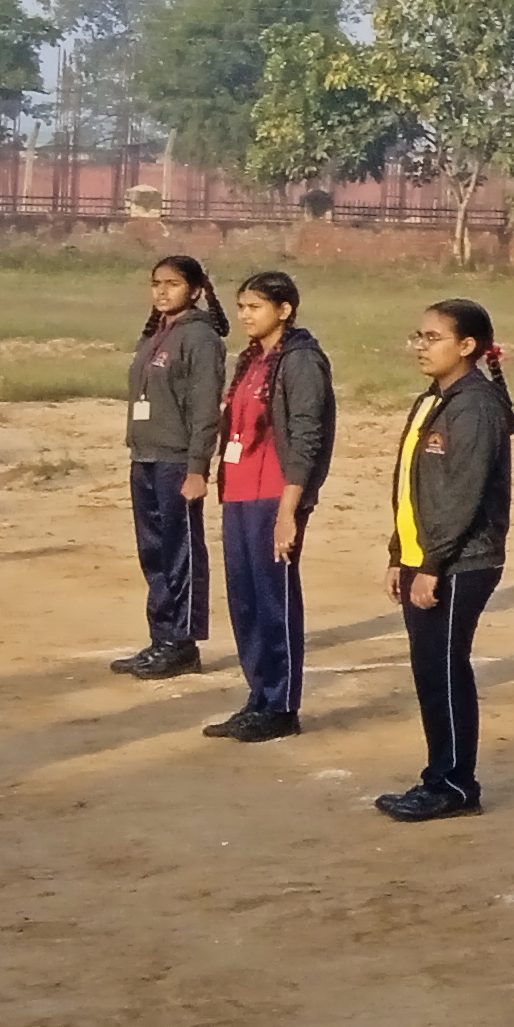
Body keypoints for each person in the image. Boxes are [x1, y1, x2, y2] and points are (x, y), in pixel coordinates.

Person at [376, 299, 513, 822]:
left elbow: (463, 494)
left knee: (445, 671)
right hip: (426, 556)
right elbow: (412, 487)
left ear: (467, 346)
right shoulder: (434, 399)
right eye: (420, 336)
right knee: (430, 670)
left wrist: (433, 564)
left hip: (459, 561)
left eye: (433, 338)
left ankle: (454, 784)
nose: (421, 346)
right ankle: (440, 776)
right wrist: (400, 553)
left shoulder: (474, 406)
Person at [200, 271, 333, 744]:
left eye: (255, 307)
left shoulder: (302, 361)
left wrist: (289, 511)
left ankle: (281, 705)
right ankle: (257, 697)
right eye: (241, 307)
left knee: (274, 601)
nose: (245, 316)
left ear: (285, 309)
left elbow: (307, 436)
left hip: (275, 496)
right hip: (239, 494)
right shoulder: (253, 358)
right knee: (246, 601)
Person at [117, 253, 227, 678]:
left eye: (173, 284)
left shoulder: (200, 337)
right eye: (156, 283)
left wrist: (197, 467)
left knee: (180, 553)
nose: (162, 291)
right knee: (153, 552)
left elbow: (205, 409)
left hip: (177, 461)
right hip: (145, 457)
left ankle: (182, 643)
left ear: (195, 290)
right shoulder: (155, 334)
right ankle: (161, 637)